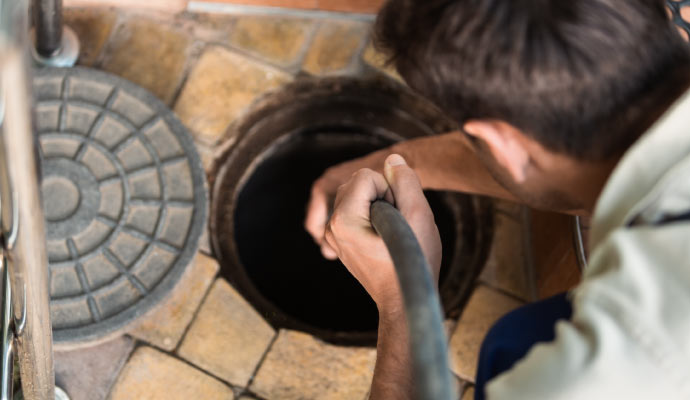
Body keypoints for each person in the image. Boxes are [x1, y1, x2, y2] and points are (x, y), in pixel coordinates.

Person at [303, 1, 690, 399]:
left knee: (514, 348)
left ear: (501, 145)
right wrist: (390, 164)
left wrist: (402, 304)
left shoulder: (601, 373)